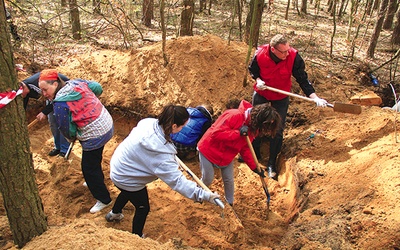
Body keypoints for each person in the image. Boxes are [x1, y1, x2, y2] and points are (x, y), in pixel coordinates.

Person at [106, 104, 220, 237]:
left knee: (128, 191)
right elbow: (178, 182)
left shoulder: (148, 122)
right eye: (182, 126)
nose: (183, 128)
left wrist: (170, 153)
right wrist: (204, 195)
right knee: (143, 207)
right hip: (126, 176)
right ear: (174, 126)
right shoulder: (161, 157)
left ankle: (114, 214)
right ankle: (137, 237)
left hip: (119, 165)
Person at [248, 34, 328, 179]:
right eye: (283, 51)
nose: (287, 53)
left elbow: (303, 79)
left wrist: (315, 97)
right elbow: (253, 70)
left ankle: (272, 162)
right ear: (273, 50)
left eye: (288, 50)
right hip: (262, 92)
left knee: (277, 129)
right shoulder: (259, 54)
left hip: (281, 96)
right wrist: (258, 80)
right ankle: (254, 154)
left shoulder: (294, 57)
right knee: (255, 123)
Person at [38, 69, 114, 213]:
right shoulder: (75, 83)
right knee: (94, 158)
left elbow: (67, 130)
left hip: (95, 134)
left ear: (55, 84)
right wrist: (87, 103)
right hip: (106, 123)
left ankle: (104, 199)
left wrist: (73, 136)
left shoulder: (60, 104)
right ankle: (94, 181)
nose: (44, 94)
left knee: (88, 168)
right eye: (41, 90)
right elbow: (97, 87)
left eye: (45, 89)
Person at [197, 100, 280, 206]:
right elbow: (216, 134)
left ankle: (229, 204)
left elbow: (245, 148)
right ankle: (197, 195)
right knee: (208, 178)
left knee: (229, 180)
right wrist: (238, 133)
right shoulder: (234, 115)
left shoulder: (253, 128)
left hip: (226, 156)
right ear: (259, 120)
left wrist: (255, 167)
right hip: (208, 150)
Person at [21, 71, 70, 157]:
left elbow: (55, 99)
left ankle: (64, 149)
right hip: (51, 97)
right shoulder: (25, 91)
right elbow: (23, 105)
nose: (21, 96)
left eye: (21, 94)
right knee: (52, 122)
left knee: (61, 123)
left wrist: (44, 112)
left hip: (62, 96)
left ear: (23, 88)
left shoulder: (36, 84)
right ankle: (58, 147)